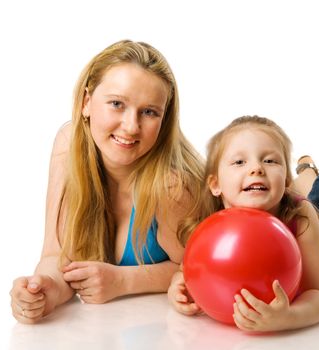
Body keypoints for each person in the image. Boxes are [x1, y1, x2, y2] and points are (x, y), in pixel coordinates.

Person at [10, 40, 205, 324]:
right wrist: (43, 289)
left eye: (149, 112)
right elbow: (55, 253)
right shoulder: (69, 146)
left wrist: (123, 281)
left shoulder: (171, 185)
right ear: (86, 102)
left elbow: (194, 269)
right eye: (117, 104)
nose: (131, 126)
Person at [168, 116, 319, 332]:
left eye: (270, 160)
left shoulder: (301, 215)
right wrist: (180, 284)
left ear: (285, 181)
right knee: (312, 204)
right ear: (215, 184)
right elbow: (191, 267)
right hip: (295, 210)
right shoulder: (213, 224)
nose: (256, 168)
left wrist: (288, 317)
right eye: (239, 162)